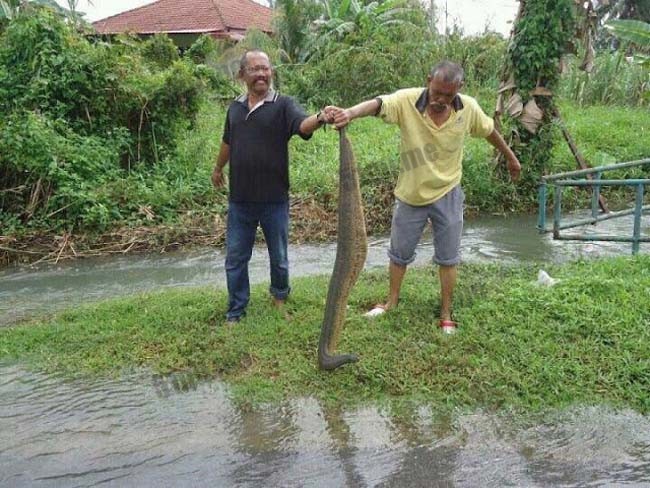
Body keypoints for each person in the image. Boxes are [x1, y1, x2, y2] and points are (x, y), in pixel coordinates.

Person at [330, 60, 521, 333]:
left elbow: (490, 132)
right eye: (437, 92)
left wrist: (511, 159)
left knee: (448, 257)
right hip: (410, 194)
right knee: (399, 254)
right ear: (428, 80)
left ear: (459, 89)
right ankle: (391, 301)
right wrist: (349, 112)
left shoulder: (468, 108)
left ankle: (445, 312)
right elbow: (378, 104)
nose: (441, 100)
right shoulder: (407, 100)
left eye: (448, 95)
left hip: (448, 192)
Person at [212, 50, 333, 323]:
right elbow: (227, 142)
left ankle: (279, 298)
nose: (261, 74)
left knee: (278, 256)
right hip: (240, 200)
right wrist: (218, 168)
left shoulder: (283, 105)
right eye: (254, 69)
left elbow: (302, 125)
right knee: (235, 258)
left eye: (265, 69)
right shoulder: (235, 107)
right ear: (242, 74)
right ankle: (236, 310)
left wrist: (321, 117)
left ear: (271, 73)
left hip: (274, 200)